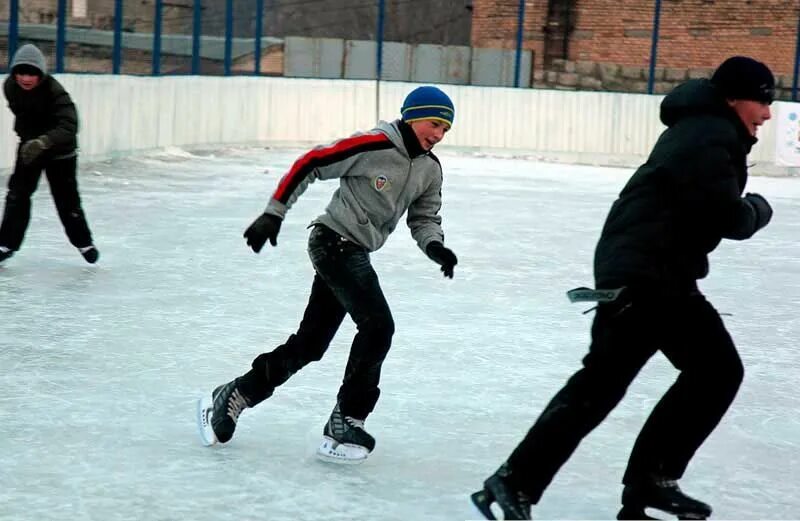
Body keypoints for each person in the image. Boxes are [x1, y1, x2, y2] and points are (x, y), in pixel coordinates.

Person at [471, 56, 775, 520]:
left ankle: (535, 482)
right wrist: (757, 208)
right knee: (701, 374)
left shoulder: (705, 130)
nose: (768, 113)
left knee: (629, 382)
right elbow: (725, 216)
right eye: (762, 101)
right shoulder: (709, 135)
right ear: (734, 98)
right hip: (648, 276)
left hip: (647, 272)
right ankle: (632, 481)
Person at [196, 86, 459, 463]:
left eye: (446, 130)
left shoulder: (429, 170)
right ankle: (347, 417)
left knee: (310, 345)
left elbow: (425, 217)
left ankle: (234, 395)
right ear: (412, 115)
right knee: (378, 326)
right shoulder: (373, 145)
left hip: (355, 251)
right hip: (333, 242)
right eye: (434, 124)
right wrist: (275, 211)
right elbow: (312, 162)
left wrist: (435, 247)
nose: (438, 135)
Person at [0, 43, 98, 265]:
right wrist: (28, 140)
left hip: (60, 152)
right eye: (21, 73)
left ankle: (84, 242)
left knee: (67, 200)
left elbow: (70, 125)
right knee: (17, 195)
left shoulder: (55, 92)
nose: (25, 78)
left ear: (41, 74)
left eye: (32, 74)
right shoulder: (10, 87)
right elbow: (24, 115)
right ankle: (6, 243)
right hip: (30, 148)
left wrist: (44, 141)